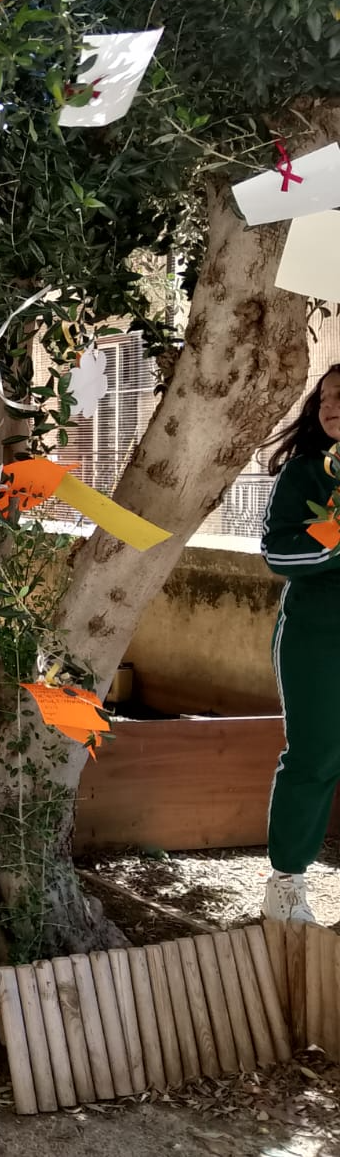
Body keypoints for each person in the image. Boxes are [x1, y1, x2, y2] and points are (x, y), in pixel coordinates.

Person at [259, 365, 340, 925]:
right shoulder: (305, 473)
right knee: (315, 756)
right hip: (318, 637)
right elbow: (279, 554)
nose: (330, 405)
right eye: (325, 397)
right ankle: (286, 884)